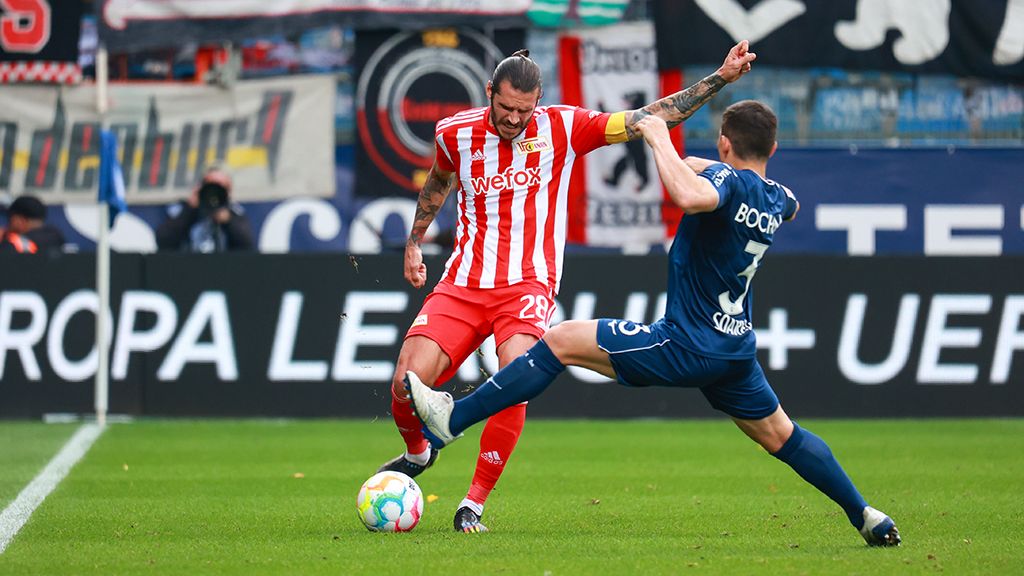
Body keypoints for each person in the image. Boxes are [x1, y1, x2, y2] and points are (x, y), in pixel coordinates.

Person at [406, 101, 902, 547]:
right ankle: (866, 515)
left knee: (559, 340)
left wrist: (659, 136)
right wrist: (704, 164)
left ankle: (453, 420)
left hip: (685, 344)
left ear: (724, 143)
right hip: (735, 352)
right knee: (783, 435)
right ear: (772, 148)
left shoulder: (725, 186)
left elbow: (689, 196)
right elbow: (775, 199)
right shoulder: (778, 198)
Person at [378, 41, 758, 533]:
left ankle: (473, 502)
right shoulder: (454, 132)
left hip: (527, 286)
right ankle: (418, 453)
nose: (514, 119)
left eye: (524, 110)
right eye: (506, 107)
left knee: (516, 378)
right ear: (489, 92)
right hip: (463, 283)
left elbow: (650, 116)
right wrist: (415, 241)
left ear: (538, 102)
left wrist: (720, 77)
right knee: (405, 382)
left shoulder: (563, 127)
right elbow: (438, 181)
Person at [156, 167, 254, 252]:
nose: (214, 193)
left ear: (229, 191)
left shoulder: (234, 213)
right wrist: (189, 210)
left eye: (220, 187)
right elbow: (163, 241)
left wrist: (228, 221)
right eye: (211, 185)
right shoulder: (183, 209)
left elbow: (248, 246)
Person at [0, 195, 66, 254]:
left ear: (19, 220)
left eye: (10, 220)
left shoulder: (13, 245)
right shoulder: (57, 239)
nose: (8, 225)